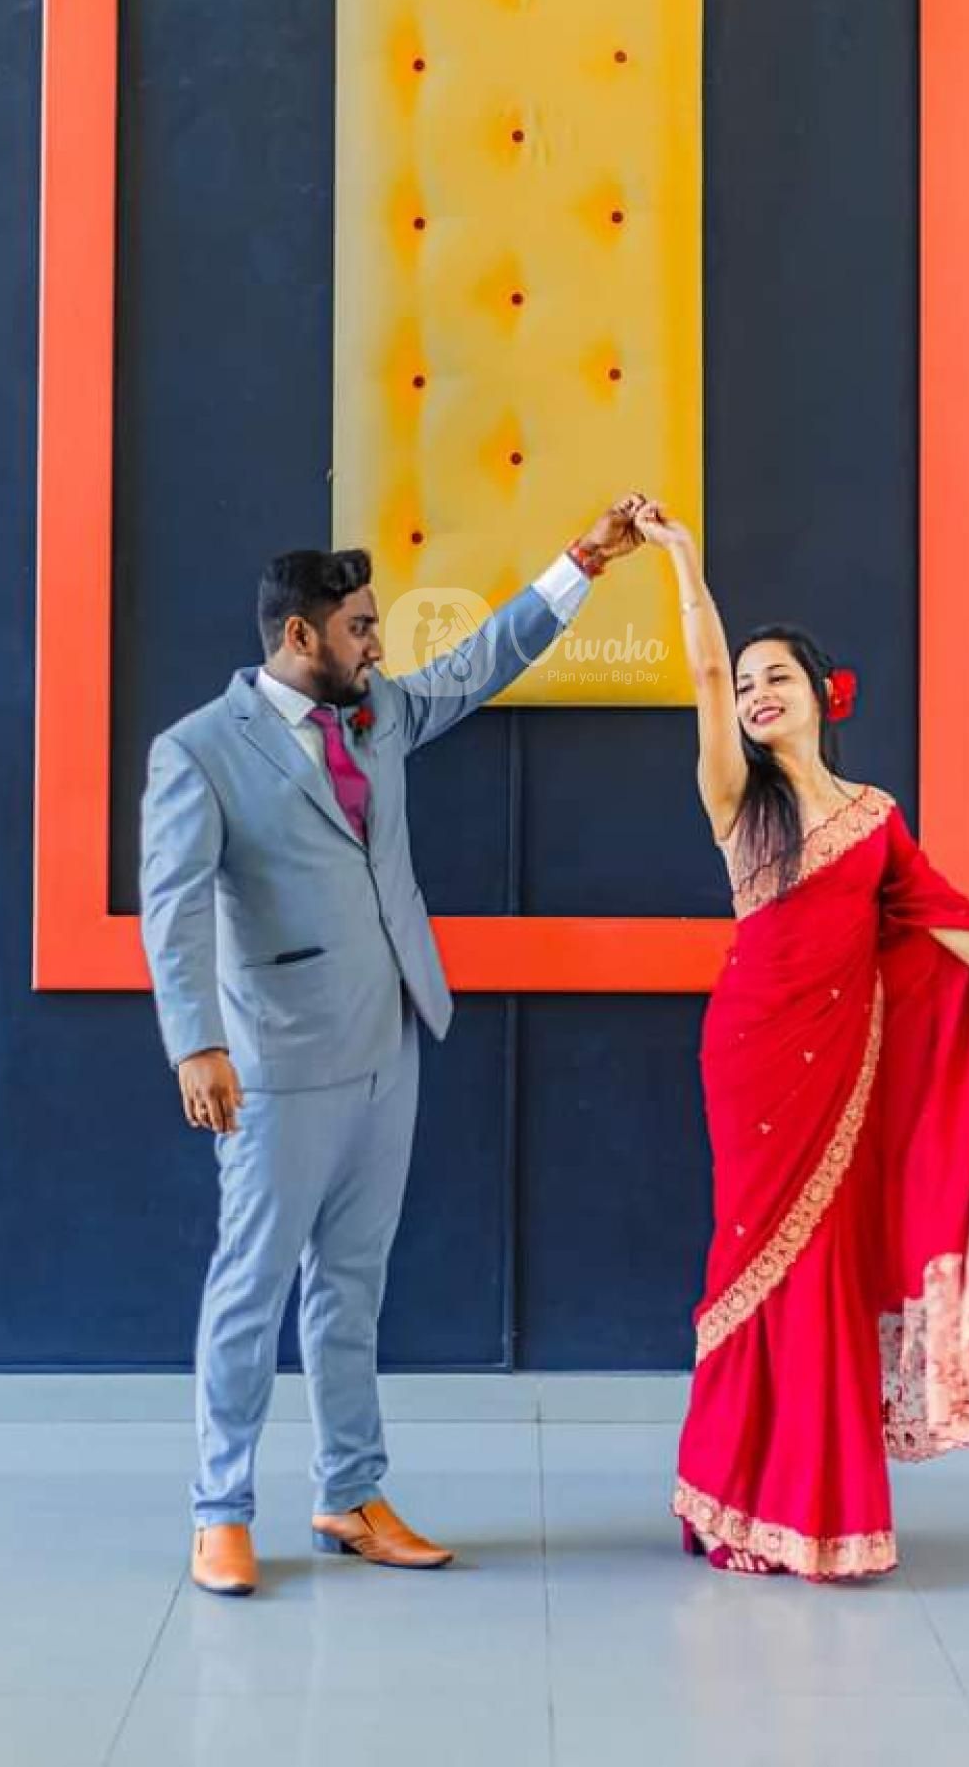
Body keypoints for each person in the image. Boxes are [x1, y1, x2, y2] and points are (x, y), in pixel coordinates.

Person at [140, 501, 648, 1595]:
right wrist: (196, 1046)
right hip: (276, 1065)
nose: (379, 643)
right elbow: (172, 910)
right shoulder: (198, 751)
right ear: (299, 636)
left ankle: (350, 1493)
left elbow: (483, 661)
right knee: (251, 1290)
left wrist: (580, 565)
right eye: (361, 627)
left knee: (352, 1287)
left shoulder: (380, 713)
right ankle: (220, 1510)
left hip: (390, 1042)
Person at [633, 501, 969, 1581]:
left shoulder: (877, 816)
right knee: (755, 1262)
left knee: (825, 1272)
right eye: (745, 683)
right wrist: (685, 563)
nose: (754, 692)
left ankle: (811, 1509)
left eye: (775, 678)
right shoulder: (737, 798)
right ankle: (733, 1493)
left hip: (844, 1065)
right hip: (756, 1056)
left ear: (820, 692)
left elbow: (949, 922)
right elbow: (701, 672)